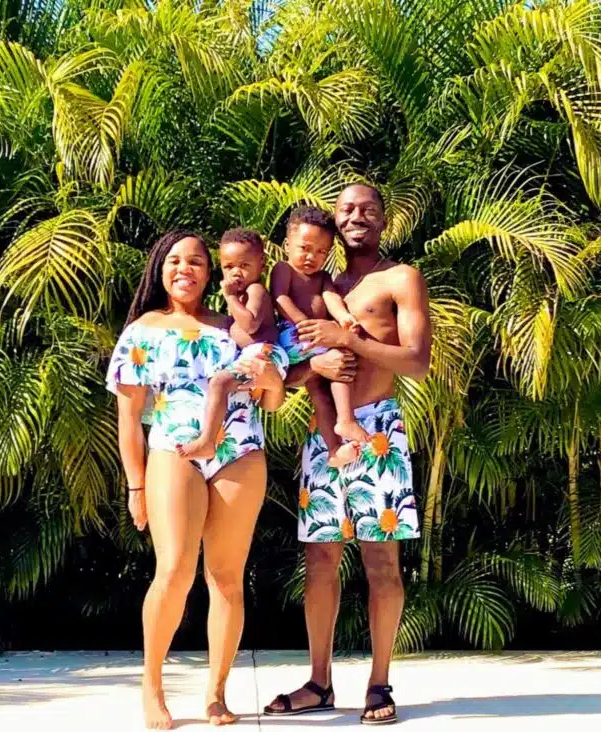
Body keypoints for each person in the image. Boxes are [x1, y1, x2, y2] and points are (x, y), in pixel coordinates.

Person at [263, 184, 431, 726]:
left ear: (384, 219)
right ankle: (320, 681)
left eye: (368, 209)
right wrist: (317, 367)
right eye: (347, 210)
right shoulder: (320, 285)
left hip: (378, 431)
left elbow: (416, 361)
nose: (357, 216)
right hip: (326, 436)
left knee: (382, 561)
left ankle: (379, 684)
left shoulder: (399, 278)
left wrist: (348, 339)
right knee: (319, 560)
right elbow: (290, 374)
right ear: (335, 222)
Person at [107, 230, 287, 729]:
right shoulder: (143, 330)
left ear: (210, 273)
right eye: (175, 261)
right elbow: (129, 419)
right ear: (160, 269)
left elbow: (272, 400)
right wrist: (135, 486)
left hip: (240, 453)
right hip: (174, 450)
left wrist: (271, 377)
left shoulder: (235, 328)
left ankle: (216, 693)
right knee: (174, 572)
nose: (184, 269)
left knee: (227, 578)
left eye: (196, 262)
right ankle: (152, 688)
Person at [177, 228, 288, 460]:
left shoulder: (255, 290)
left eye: (244, 266)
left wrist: (229, 297)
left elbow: (250, 325)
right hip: (256, 354)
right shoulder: (242, 296)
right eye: (229, 267)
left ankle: (207, 441)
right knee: (222, 384)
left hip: (265, 353)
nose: (236, 272)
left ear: (262, 265)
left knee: (219, 382)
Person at [272, 206, 368, 468]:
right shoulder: (284, 269)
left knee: (321, 394)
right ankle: (346, 419)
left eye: (321, 252)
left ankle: (335, 448)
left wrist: (344, 317)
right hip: (296, 335)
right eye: (304, 248)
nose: (311, 256)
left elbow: (331, 298)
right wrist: (304, 323)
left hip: (312, 339)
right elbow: (280, 298)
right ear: (287, 244)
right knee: (341, 357)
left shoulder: (324, 277)